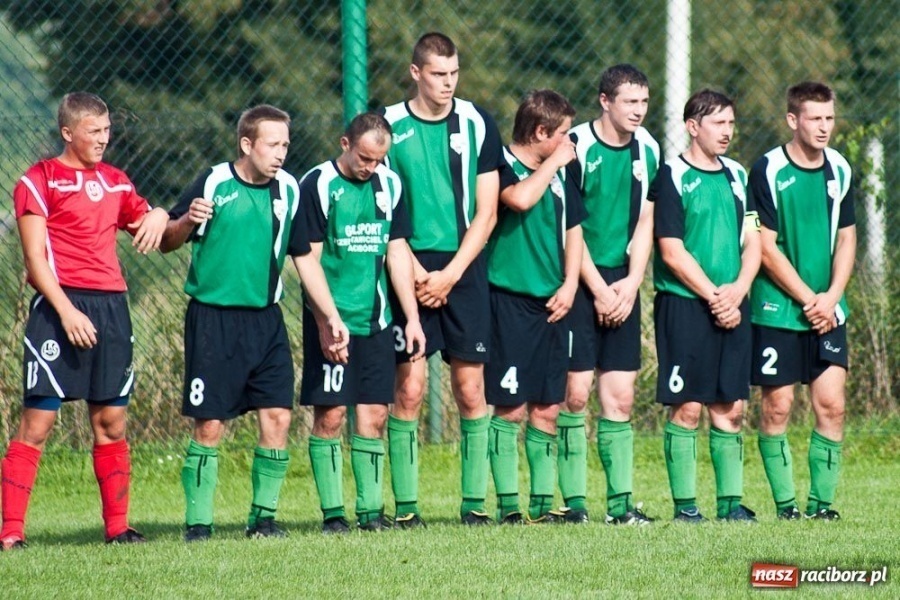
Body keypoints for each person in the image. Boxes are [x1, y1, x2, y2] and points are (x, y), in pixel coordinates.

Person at [161, 104, 348, 542]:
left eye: (286, 145)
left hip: (267, 322)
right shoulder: (213, 182)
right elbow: (168, 239)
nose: (281, 153)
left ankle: (263, 520)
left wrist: (330, 316)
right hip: (213, 320)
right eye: (272, 144)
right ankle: (198, 524)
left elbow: (304, 259)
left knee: (278, 416)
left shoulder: (289, 189)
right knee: (210, 424)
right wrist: (187, 220)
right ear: (247, 144)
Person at [1, 92, 169, 549]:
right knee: (38, 422)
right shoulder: (38, 180)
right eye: (94, 131)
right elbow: (35, 261)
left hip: (112, 308)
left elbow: (157, 232)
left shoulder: (116, 182)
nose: (103, 138)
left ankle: (118, 528)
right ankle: (11, 532)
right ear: (67, 132)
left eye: (107, 130)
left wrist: (163, 214)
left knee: (111, 422)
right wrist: (66, 310)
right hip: (60, 307)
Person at [381, 32, 501, 527]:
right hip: (405, 263)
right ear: (416, 73)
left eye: (454, 73)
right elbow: (383, 208)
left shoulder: (477, 121)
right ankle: (407, 510)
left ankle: (474, 506)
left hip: (463, 267)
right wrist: (416, 271)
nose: (448, 82)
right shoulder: (388, 124)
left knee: (471, 390)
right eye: (438, 74)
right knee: (409, 389)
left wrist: (450, 275)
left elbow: (488, 211)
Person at [299, 113, 426, 533]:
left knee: (375, 414)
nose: (370, 167)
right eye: (364, 158)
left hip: (377, 320)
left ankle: (370, 513)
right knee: (331, 415)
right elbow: (308, 261)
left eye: (378, 159)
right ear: (345, 144)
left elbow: (397, 252)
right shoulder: (317, 185)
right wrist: (325, 321)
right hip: (333, 320)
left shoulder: (390, 185)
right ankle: (334, 515)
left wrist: (411, 318)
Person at [651, 89, 760, 522]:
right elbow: (672, 250)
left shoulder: (737, 174)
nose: (727, 132)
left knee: (731, 407)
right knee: (689, 406)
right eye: (718, 123)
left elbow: (753, 240)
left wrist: (738, 289)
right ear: (693, 127)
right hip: (686, 305)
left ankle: (731, 505)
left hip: (733, 303)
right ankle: (686, 508)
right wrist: (716, 296)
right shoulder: (671, 175)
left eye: (731, 123)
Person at [749, 82, 855, 521]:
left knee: (832, 405)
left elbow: (847, 238)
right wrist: (811, 299)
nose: (824, 127)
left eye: (829, 118)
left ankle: (822, 506)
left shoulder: (840, 169)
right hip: (778, 309)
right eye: (815, 118)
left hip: (828, 309)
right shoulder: (767, 169)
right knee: (778, 407)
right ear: (793, 120)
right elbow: (764, 247)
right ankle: (786, 507)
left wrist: (831, 297)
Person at [563, 64, 661, 525]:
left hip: (623, 282)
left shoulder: (649, 149)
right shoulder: (576, 146)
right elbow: (570, 226)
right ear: (605, 101)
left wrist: (632, 281)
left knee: (620, 397)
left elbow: (646, 220)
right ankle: (572, 505)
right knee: (574, 395)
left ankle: (620, 507)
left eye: (644, 102)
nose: (638, 111)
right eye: (629, 102)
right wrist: (598, 289)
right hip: (579, 278)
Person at [486, 89, 585, 524]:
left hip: (554, 303)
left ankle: (544, 505)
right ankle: (509, 506)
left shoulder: (563, 169)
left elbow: (575, 229)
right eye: (563, 134)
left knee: (548, 407)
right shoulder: (501, 164)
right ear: (541, 132)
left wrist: (571, 284)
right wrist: (554, 163)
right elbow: (520, 199)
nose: (570, 142)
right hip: (509, 301)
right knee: (510, 407)